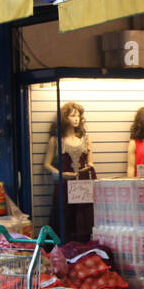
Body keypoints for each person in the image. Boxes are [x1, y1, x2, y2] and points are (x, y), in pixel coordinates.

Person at [43, 101, 96, 243]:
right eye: (72, 115)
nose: (76, 119)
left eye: (78, 115)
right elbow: (47, 164)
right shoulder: (56, 141)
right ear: (64, 118)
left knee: (84, 216)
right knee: (65, 216)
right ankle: (64, 247)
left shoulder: (86, 139)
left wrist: (89, 167)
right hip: (64, 185)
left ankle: (84, 245)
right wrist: (60, 175)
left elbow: (90, 162)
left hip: (83, 185)